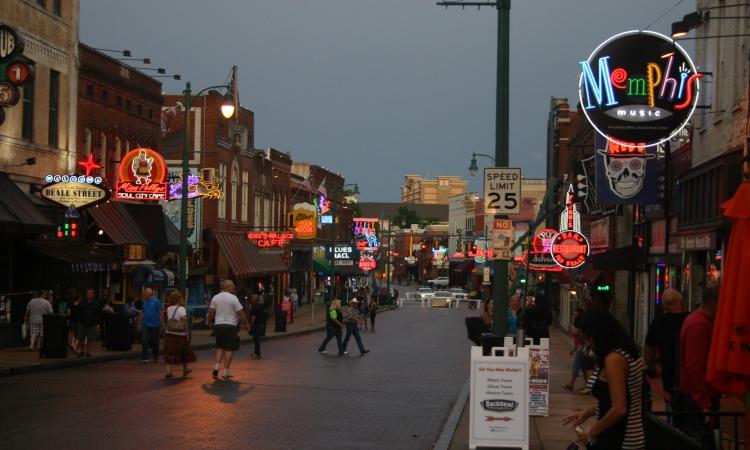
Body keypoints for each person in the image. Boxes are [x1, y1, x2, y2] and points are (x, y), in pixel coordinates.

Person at [562, 308, 645, 449]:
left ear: (600, 334)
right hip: (625, 435)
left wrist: (590, 432)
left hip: (620, 438)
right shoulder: (627, 352)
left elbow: (619, 408)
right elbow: (617, 398)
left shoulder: (614, 359)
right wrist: (587, 412)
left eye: (588, 338)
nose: (587, 343)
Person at [676, 282, 721, 439]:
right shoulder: (700, 325)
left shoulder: (697, 320)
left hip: (697, 397)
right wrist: (705, 405)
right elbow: (695, 368)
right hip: (698, 400)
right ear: (714, 302)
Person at [644, 288, 687, 403]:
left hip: (669, 373)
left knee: (671, 404)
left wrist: (651, 366)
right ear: (681, 302)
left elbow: (649, 349)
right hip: (690, 372)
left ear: (663, 305)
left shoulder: (658, 322)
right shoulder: (690, 319)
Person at [207, 280, 250, 379]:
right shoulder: (233, 298)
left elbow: (210, 311)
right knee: (229, 348)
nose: (234, 287)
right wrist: (246, 324)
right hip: (230, 325)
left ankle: (217, 366)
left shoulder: (216, 297)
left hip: (218, 325)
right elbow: (241, 313)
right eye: (233, 286)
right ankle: (225, 371)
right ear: (228, 287)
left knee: (220, 346)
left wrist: (209, 322)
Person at [163, 291, 196, 378]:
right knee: (184, 352)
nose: (182, 299)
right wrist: (187, 332)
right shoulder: (181, 309)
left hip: (169, 333)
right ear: (178, 299)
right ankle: (185, 369)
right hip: (179, 334)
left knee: (169, 352)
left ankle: (168, 371)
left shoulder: (169, 308)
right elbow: (184, 321)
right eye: (181, 298)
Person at [562, 308, 595, 393]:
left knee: (579, 366)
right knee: (583, 367)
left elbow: (583, 337)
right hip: (580, 348)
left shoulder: (581, 325)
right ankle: (587, 385)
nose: (574, 316)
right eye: (574, 314)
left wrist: (583, 346)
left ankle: (572, 383)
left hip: (582, 348)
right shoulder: (576, 324)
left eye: (576, 314)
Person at [139, 288, 162, 363]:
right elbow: (143, 312)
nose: (144, 295)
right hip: (145, 324)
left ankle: (156, 357)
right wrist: (139, 322)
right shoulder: (144, 302)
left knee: (155, 341)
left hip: (155, 324)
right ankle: (145, 357)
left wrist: (162, 324)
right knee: (144, 340)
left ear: (149, 294)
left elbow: (160, 313)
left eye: (145, 294)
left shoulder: (156, 302)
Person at [76, 289, 101, 358]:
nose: (89, 294)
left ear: (93, 294)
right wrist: (79, 320)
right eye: (88, 293)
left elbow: (98, 313)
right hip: (82, 323)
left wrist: (96, 321)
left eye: (90, 293)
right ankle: (82, 351)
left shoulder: (96, 303)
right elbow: (78, 311)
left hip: (92, 324)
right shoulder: (82, 302)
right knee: (81, 337)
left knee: (90, 338)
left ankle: (88, 352)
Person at [248, 294, 266, 358]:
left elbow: (253, 316)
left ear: (254, 300)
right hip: (261, 323)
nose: (251, 300)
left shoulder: (254, 306)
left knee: (256, 339)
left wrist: (251, 325)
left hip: (256, 324)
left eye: (252, 299)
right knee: (257, 339)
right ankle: (257, 352)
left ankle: (257, 353)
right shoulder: (261, 305)